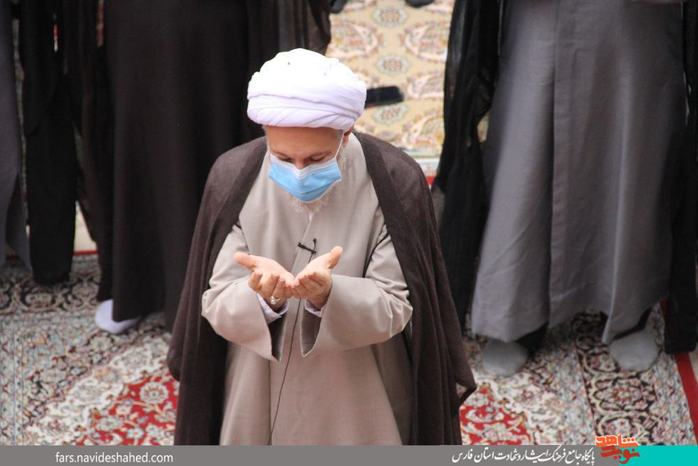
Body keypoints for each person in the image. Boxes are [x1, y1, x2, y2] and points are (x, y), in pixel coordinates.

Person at [167, 49, 475, 445]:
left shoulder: (394, 181)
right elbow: (214, 303)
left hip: (361, 387)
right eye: (282, 157)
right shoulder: (233, 177)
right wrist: (262, 298)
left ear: (346, 133)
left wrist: (329, 296)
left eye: (316, 158)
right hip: (254, 384)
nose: (299, 172)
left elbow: (396, 306)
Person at [434, 0, 698, 376]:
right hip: (541, 14)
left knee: (634, 149)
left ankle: (628, 307)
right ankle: (517, 311)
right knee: (527, 146)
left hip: (637, 20)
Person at [80, 0, 331, 334]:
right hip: (135, 22)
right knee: (139, 125)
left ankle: (237, 288)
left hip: (218, 21)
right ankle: (140, 287)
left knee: (219, 121)